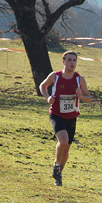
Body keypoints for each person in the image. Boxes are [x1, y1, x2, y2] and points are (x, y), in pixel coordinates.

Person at [39, 51, 92, 186]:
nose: (72, 63)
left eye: (74, 60)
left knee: (67, 148)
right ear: (64, 62)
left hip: (72, 116)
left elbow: (88, 98)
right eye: (69, 60)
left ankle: (58, 176)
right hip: (56, 114)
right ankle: (57, 164)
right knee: (63, 141)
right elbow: (42, 86)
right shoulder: (55, 76)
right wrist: (48, 98)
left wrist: (80, 96)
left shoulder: (79, 80)